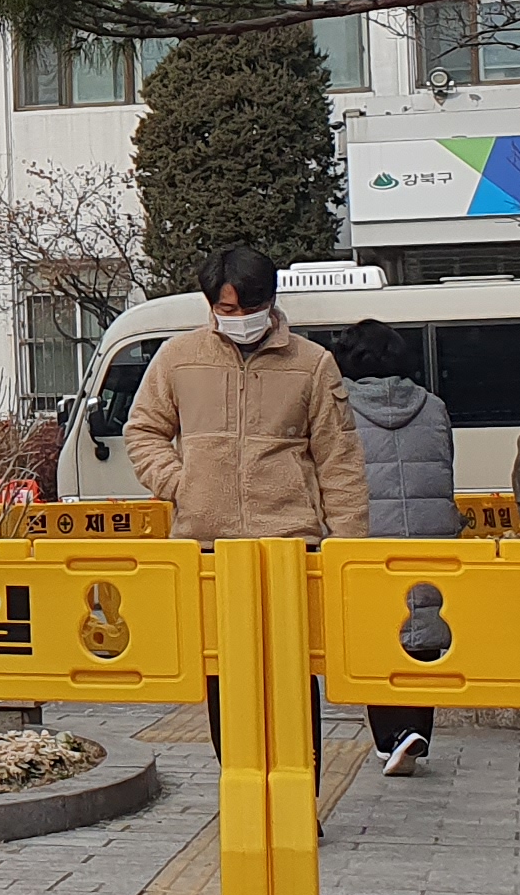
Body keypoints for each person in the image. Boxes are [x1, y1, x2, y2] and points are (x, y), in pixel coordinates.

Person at [126, 247, 367, 764]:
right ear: (210, 304)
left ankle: (301, 796)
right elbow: (143, 431)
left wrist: (347, 546)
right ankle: (238, 787)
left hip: (291, 544)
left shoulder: (312, 363)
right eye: (225, 309)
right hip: (207, 545)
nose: (236, 319)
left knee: (294, 676)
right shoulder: (177, 357)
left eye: (245, 307)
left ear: (269, 300)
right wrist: (180, 482)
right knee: (222, 675)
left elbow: (339, 460)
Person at [327, 319, 459, 775]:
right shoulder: (435, 407)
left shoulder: (337, 410)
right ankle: (416, 732)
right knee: (422, 628)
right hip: (431, 539)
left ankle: (392, 737)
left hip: (367, 539)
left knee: (375, 636)